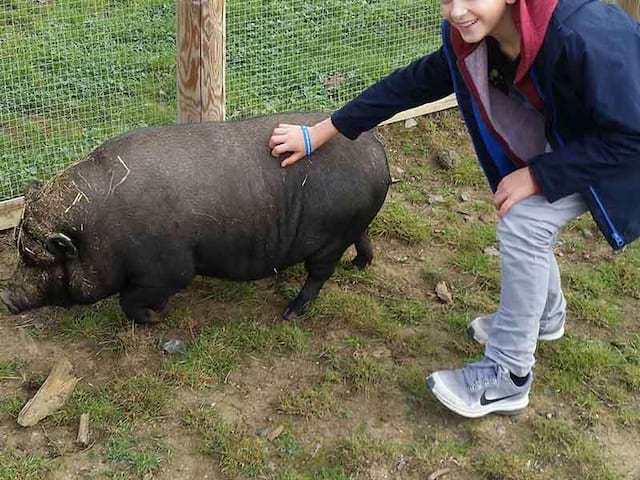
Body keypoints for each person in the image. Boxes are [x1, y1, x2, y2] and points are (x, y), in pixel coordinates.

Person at [268, 0, 640, 418]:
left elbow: (631, 135)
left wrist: (539, 175)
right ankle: (545, 317)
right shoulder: (475, 39)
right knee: (522, 212)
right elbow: (415, 82)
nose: (456, 11)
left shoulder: (585, 33)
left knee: (524, 220)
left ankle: (509, 376)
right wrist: (323, 131)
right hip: (583, 136)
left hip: (623, 148)